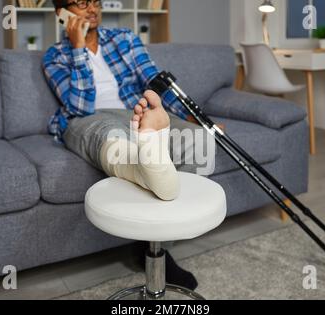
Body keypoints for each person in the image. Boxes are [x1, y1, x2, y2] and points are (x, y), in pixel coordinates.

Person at [43, 0, 214, 290]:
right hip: (88, 120)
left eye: (94, 1)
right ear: (62, 13)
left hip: (134, 112)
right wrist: (77, 47)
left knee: (197, 142)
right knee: (115, 138)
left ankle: (156, 242)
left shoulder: (125, 38)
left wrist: (197, 120)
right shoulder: (54, 56)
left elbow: (155, 83)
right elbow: (80, 106)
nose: (92, 8)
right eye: (81, 4)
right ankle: (153, 240)